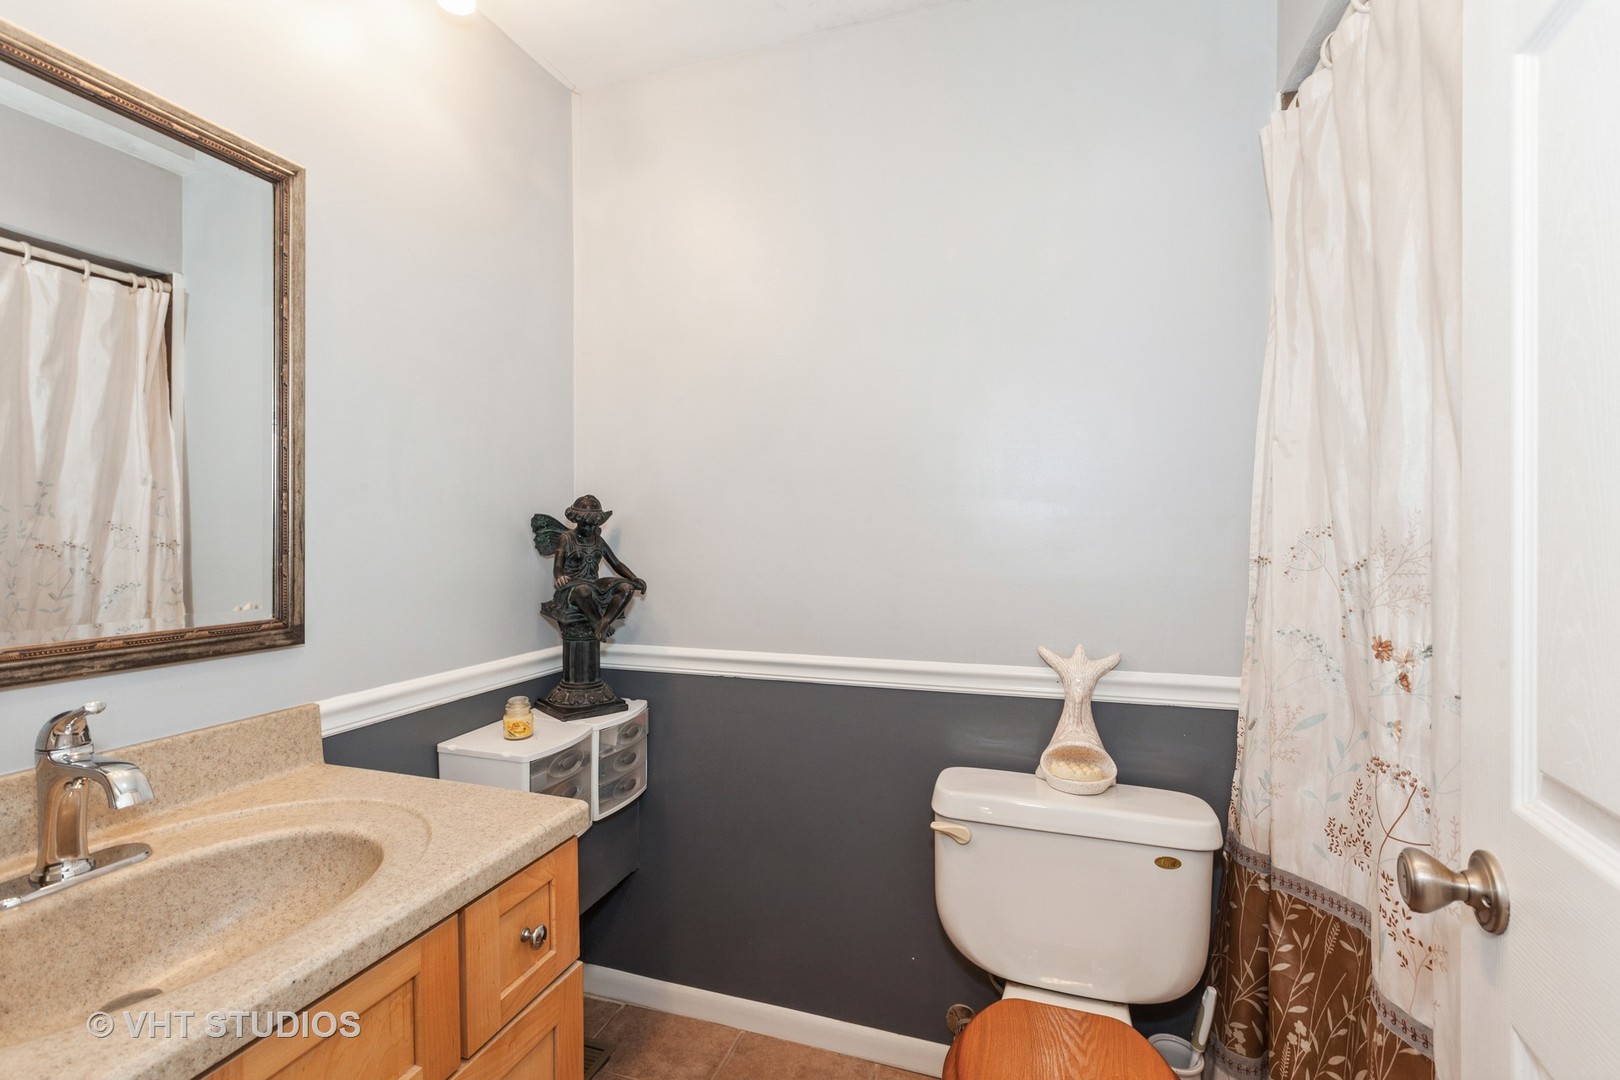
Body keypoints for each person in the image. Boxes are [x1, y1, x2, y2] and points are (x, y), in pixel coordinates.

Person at [531, 496, 647, 640]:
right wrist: (560, 577)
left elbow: (616, 564)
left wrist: (634, 578)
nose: (591, 528)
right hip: (572, 587)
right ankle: (596, 622)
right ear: (576, 521)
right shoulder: (566, 538)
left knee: (626, 588)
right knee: (583, 591)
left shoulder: (598, 539)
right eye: (586, 524)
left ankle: (603, 623)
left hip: (594, 584)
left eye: (594, 525)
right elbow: (558, 567)